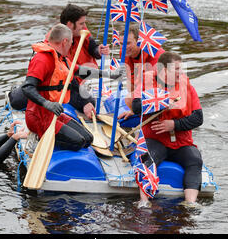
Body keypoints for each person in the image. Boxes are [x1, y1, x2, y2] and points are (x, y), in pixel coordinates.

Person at [21, 23, 123, 151]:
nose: (71, 46)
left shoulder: (61, 59)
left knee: (88, 139)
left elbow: (81, 70)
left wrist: (110, 74)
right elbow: (27, 87)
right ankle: (38, 139)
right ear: (65, 41)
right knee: (78, 142)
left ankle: (50, 137)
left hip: (53, 114)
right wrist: (47, 104)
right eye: (71, 43)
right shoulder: (42, 59)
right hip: (38, 117)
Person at [130, 51, 204, 206]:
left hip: (180, 142)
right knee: (146, 159)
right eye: (176, 69)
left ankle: (190, 203)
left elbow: (198, 118)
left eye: (180, 69)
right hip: (156, 140)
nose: (180, 73)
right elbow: (137, 107)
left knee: (195, 159)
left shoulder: (186, 85)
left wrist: (174, 125)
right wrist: (160, 103)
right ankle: (144, 201)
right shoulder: (145, 82)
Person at [118, 25, 165, 120]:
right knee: (128, 98)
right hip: (145, 84)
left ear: (139, 42)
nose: (123, 48)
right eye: (121, 44)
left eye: (127, 43)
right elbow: (131, 80)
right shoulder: (124, 54)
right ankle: (138, 113)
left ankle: (158, 116)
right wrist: (132, 109)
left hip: (161, 87)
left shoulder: (156, 54)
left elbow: (160, 85)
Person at [59, 3, 110, 70]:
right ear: (70, 24)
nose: (85, 26)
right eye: (81, 23)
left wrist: (99, 51)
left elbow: (93, 48)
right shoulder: (55, 42)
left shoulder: (83, 32)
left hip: (87, 76)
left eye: (84, 23)